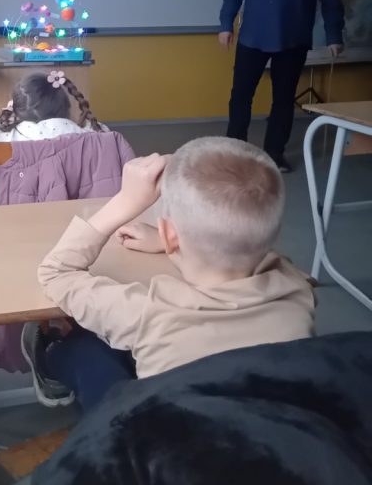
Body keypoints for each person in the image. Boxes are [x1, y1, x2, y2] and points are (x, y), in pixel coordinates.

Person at [24, 137, 315, 411]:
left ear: (169, 234)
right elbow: (256, 250)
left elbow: (55, 272)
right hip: (270, 425)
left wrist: (125, 201)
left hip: (161, 436)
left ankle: (52, 354)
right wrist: (169, 243)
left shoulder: (145, 312)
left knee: (82, 347)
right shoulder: (298, 289)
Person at [218, 0, 344, 172]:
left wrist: (334, 34)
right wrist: (226, 24)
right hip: (253, 37)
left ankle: (274, 153)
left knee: (284, 100)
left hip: (292, 39)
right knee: (240, 96)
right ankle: (234, 150)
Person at [0, 69, 105, 147]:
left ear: (17, 109)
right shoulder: (86, 135)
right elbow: (104, 131)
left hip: (23, 195)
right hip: (74, 194)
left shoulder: (11, 137)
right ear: (65, 105)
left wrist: (5, 116)